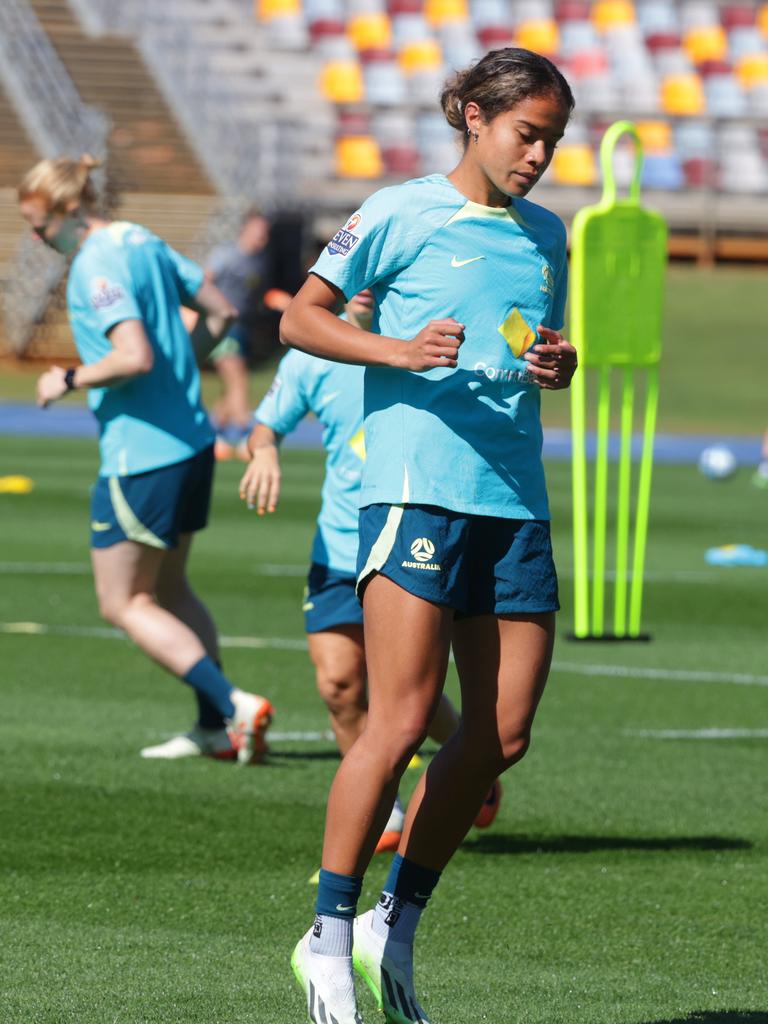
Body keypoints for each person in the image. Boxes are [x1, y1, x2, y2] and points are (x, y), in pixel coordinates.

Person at [279, 48, 578, 1023]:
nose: (537, 156)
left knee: (501, 734)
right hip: (415, 488)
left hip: (515, 497)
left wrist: (556, 363)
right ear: (472, 117)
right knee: (401, 718)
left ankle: (391, 923)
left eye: (551, 140)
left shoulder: (549, 237)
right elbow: (301, 318)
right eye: (525, 132)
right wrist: (394, 350)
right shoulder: (400, 211)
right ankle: (325, 932)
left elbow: (530, 342)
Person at [19, 154, 273, 766]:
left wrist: (68, 377)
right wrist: (184, 361)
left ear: (71, 211)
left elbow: (132, 355)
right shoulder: (144, 240)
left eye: (39, 225)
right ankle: (215, 727)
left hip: (143, 456)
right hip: (190, 442)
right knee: (171, 586)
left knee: (123, 602)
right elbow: (223, 314)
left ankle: (233, 704)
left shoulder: (94, 264)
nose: (36, 238)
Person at [238, 290, 502, 853]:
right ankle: (389, 813)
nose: (361, 282)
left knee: (410, 695)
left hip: (408, 542)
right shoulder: (311, 353)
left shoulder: (431, 341)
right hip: (338, 549)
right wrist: (263, 450)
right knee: (339, 686)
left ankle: (470, 758)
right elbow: (264, 428)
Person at [205, 209, 291, 460]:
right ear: (245, 230)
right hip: (222, 328)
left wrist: (275, 300)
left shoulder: (259, 262)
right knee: (238, 379)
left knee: (230, 387)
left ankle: (212, 435)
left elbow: (255, 294)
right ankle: (246, 435)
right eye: (258, 232)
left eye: (265, 234)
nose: (262, 238)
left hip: (241, 328)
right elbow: (203, 281)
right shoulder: (226, 255)